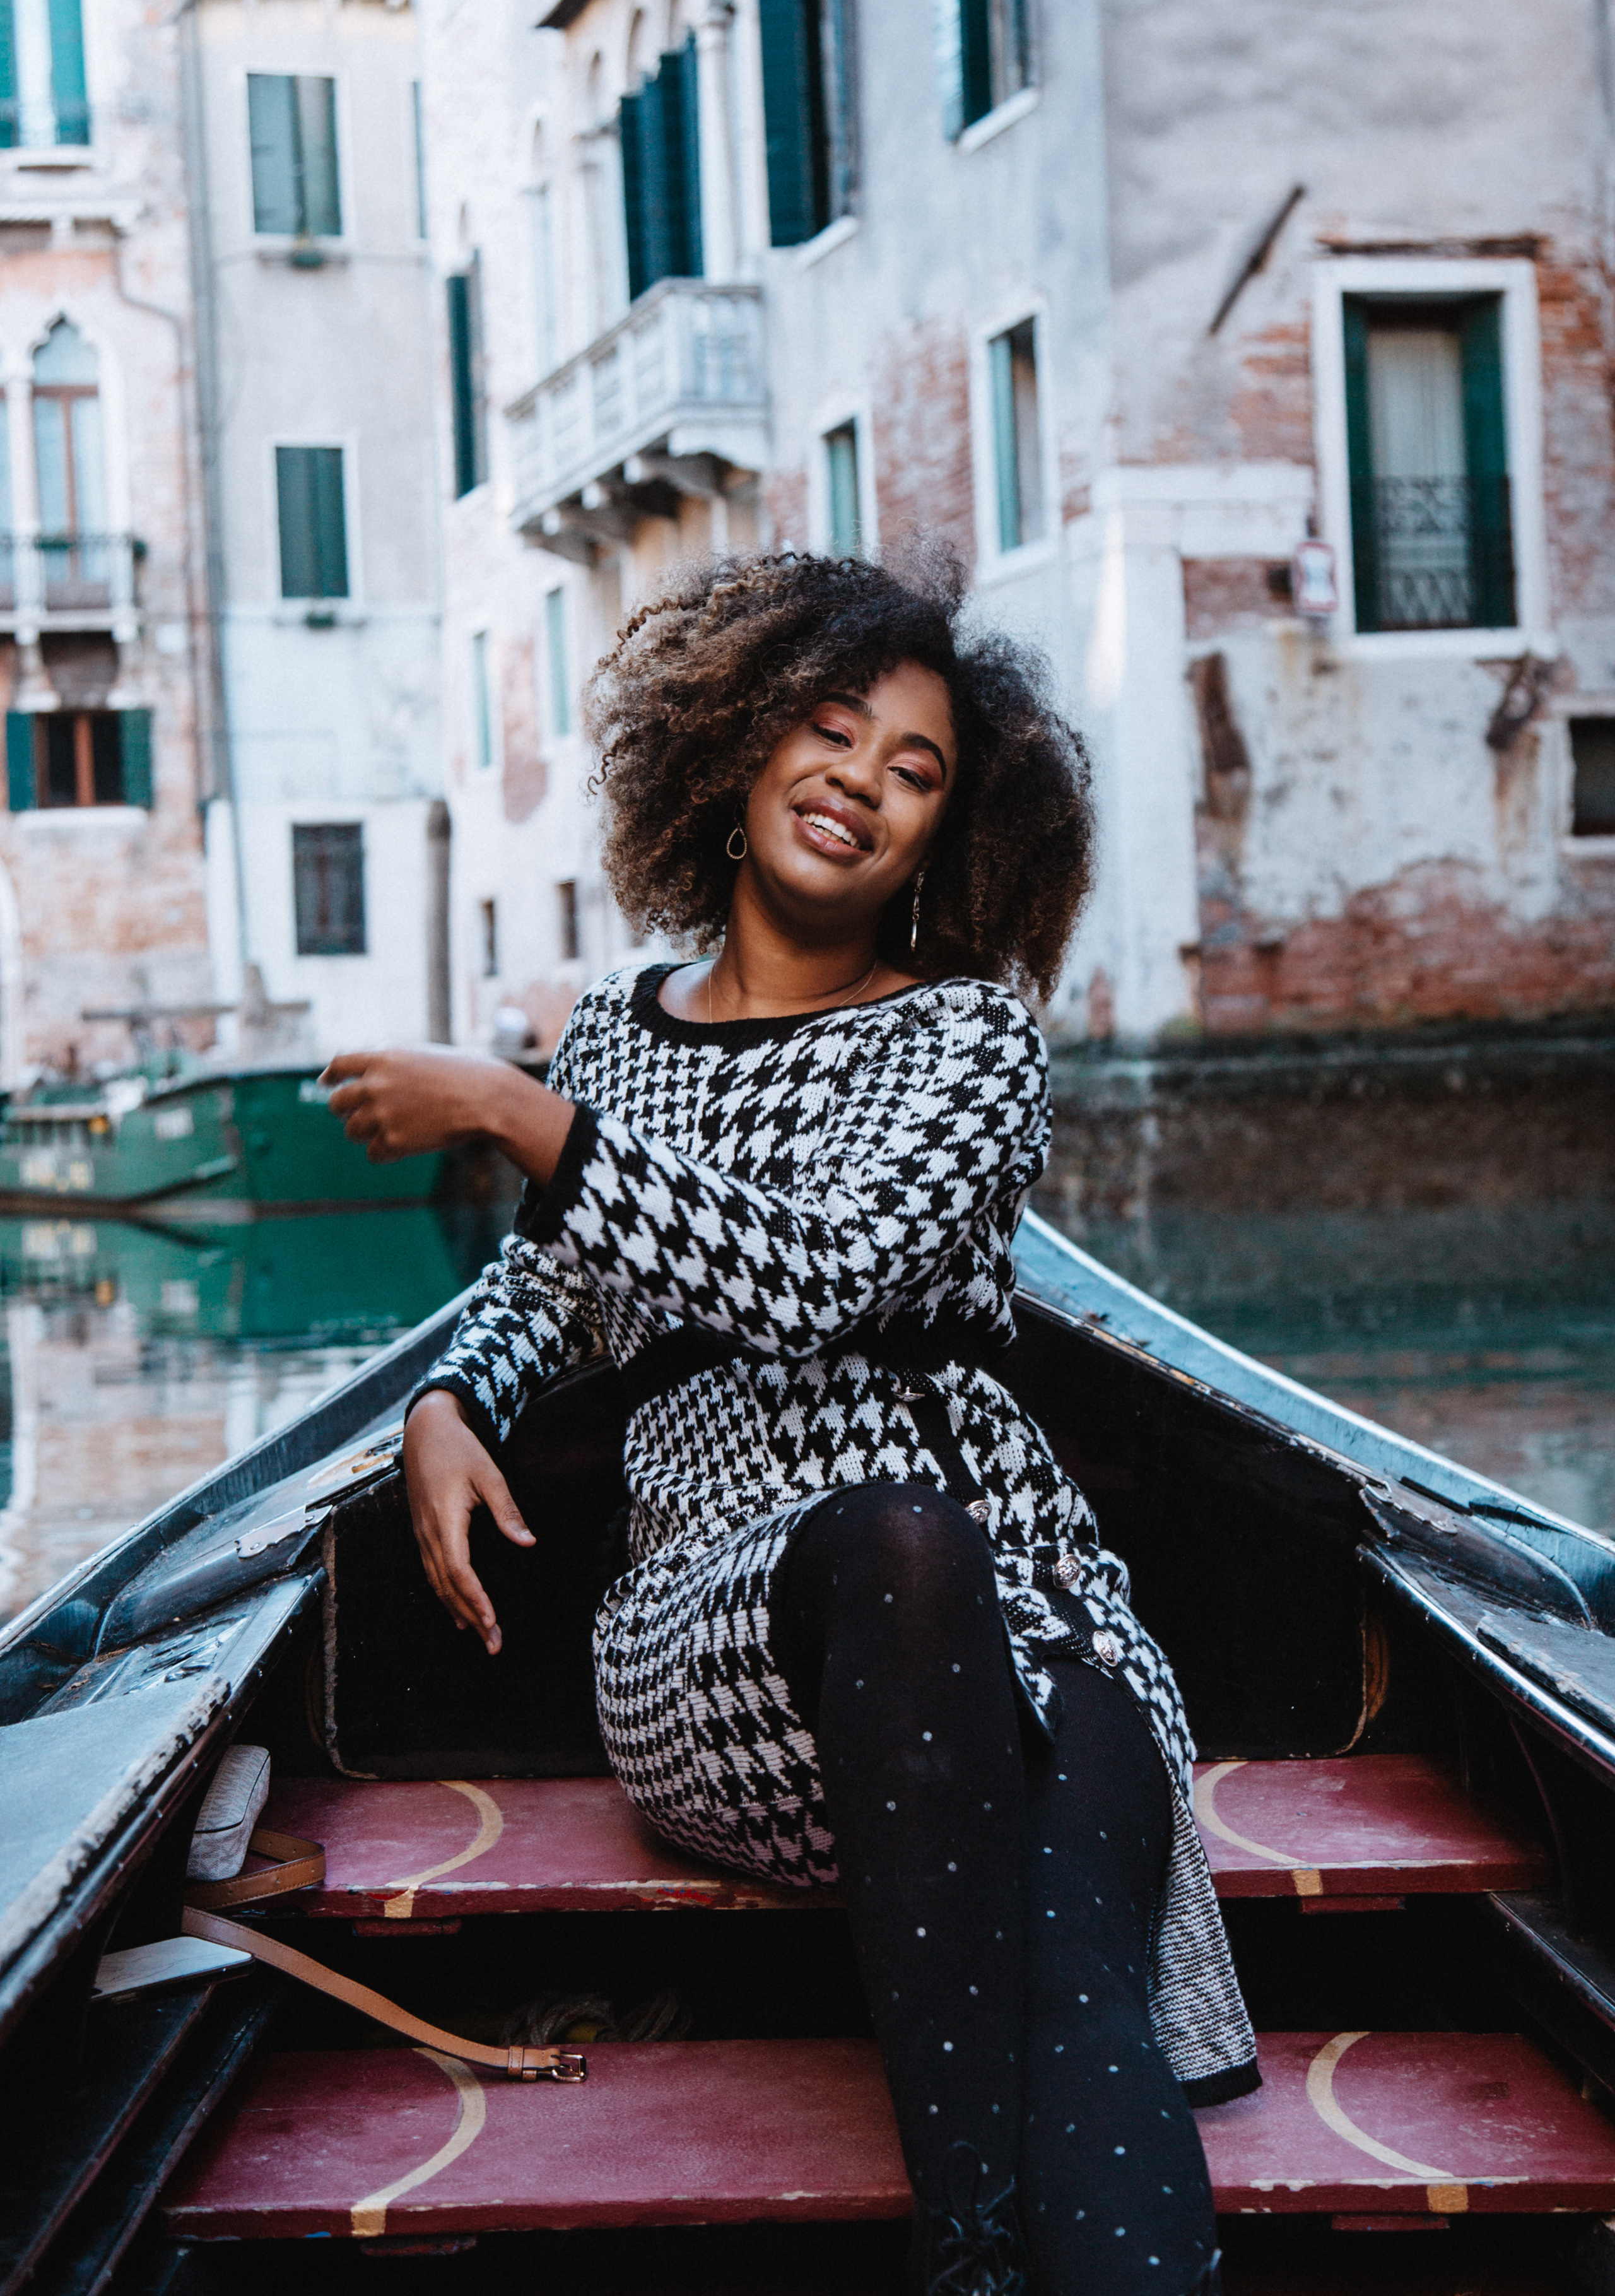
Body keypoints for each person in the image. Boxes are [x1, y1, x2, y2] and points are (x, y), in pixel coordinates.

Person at [323, 550, 1254, 2296]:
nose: (863, 787)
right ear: (741, 745)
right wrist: (453, 1396)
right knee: (899, 1550)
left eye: (917, 775)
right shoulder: (621, 1033)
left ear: (946, 839)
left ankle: (977, 2270)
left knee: (1069, 1933)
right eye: (833, 734)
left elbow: (814, 1281)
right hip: (716, 1635)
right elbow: (560, 1295)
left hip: (1028, 1608)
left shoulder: (972, 1042)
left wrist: (519, 1116)